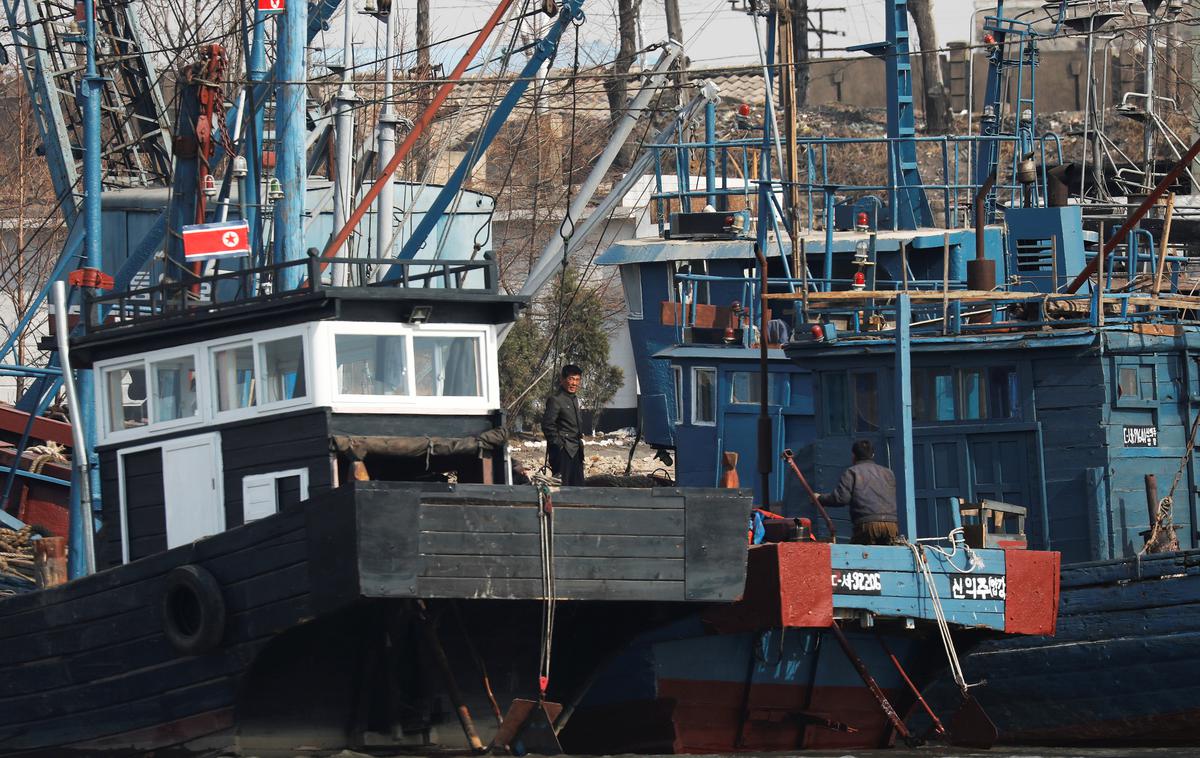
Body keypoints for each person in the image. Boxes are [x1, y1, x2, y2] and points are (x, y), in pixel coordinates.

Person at [815, 439, 898, 545]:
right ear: (872, 455)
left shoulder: (852, 472)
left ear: (853, 456)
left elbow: (841, 498)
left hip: (867, 525)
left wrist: (819, 498)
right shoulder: (888, 473)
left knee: (854, 558)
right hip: (891, 526)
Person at [542, 364, 586, 486]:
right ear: (562, 379)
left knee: (578, 486)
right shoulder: (556, 399)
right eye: (571, 379)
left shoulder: (574, 399)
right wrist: (559, 445)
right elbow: (547, 425)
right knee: (563, 487)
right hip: (563, 452)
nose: (574, 383)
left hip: (576, 450)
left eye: (577, 380)